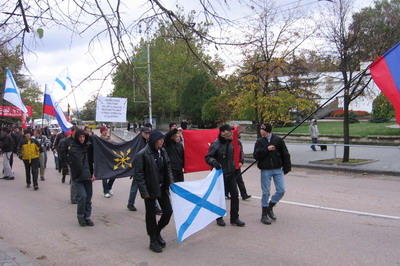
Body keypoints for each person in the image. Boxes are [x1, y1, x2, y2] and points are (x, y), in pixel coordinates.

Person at [134, 130, 174, 253]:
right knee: (151, 216)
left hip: (162, 187)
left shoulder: (162, 151)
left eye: (163, 140)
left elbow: (168, 168)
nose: (162, 142)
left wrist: (171, 183)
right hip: (150, 189)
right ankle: (153, 240)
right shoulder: (143, 154)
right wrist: (144, 192)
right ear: (153, 140)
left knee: (168, 211)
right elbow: (139, 175)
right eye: (160, 140)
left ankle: (157, 232)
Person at [205, 124, 245, 227]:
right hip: (220, 174)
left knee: (235, 195)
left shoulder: (231, 143)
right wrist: (215, 163)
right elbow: (208, 157)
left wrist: (234, 168)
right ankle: (219, 217)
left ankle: (234, 218)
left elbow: (231, 158)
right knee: (219, 196)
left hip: (231, 173)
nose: (231, 133)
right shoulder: (216, 144)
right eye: (228, 131)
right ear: (222, 133)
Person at [253, 123, 291, 225]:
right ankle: (264, 214)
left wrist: (287, 167)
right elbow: (256, 155)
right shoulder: (260, 141)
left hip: (278, 169)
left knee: (281, 190)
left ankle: (270, 206)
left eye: (262, 129)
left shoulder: (278, 140)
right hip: (265, 170)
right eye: (260, 129)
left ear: (267, 130)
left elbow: (285, 154)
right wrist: (266, 149)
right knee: (266, 192)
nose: (260, 131)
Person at [68, 129, 95, 226]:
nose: (82, 139)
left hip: (88, 177)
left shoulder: (88, 148)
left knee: (88, 198)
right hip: (78, 177)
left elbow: (95, 159)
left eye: (83, 137)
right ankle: (80, 216)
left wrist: (93, 174)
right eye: (80, 137)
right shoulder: (73, 149)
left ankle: (87, 217)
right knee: (82, 197)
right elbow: (74, 164)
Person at [127, 126, 150, 211]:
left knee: (149, 187)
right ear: (141, 133)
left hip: (144, 168)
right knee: (135, 187)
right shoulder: (139, 142)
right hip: (139, 169)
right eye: (146, 133)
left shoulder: (145, 141)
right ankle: (130, 203)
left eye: (148, 133)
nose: (147, 135)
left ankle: (154, 206)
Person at [100, 126, 116, 198]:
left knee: (114, 175)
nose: (105, 132)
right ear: (101, 132)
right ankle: (105, 191)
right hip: (103, 160)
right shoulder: (99, 139)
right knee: (105, 176)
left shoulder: (109, 138)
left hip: (110, 159)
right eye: (104, 131)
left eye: (106, 130)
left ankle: (109, 188)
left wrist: (112, 142)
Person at [236, 135, 251, 200]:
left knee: (239, 180)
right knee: (229, 180)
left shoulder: (238, 143)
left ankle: (244, 194)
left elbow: (241, 152)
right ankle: (226, 193)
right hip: (229, 165)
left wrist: (241, 161)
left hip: (237, 164)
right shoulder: (227, 143)